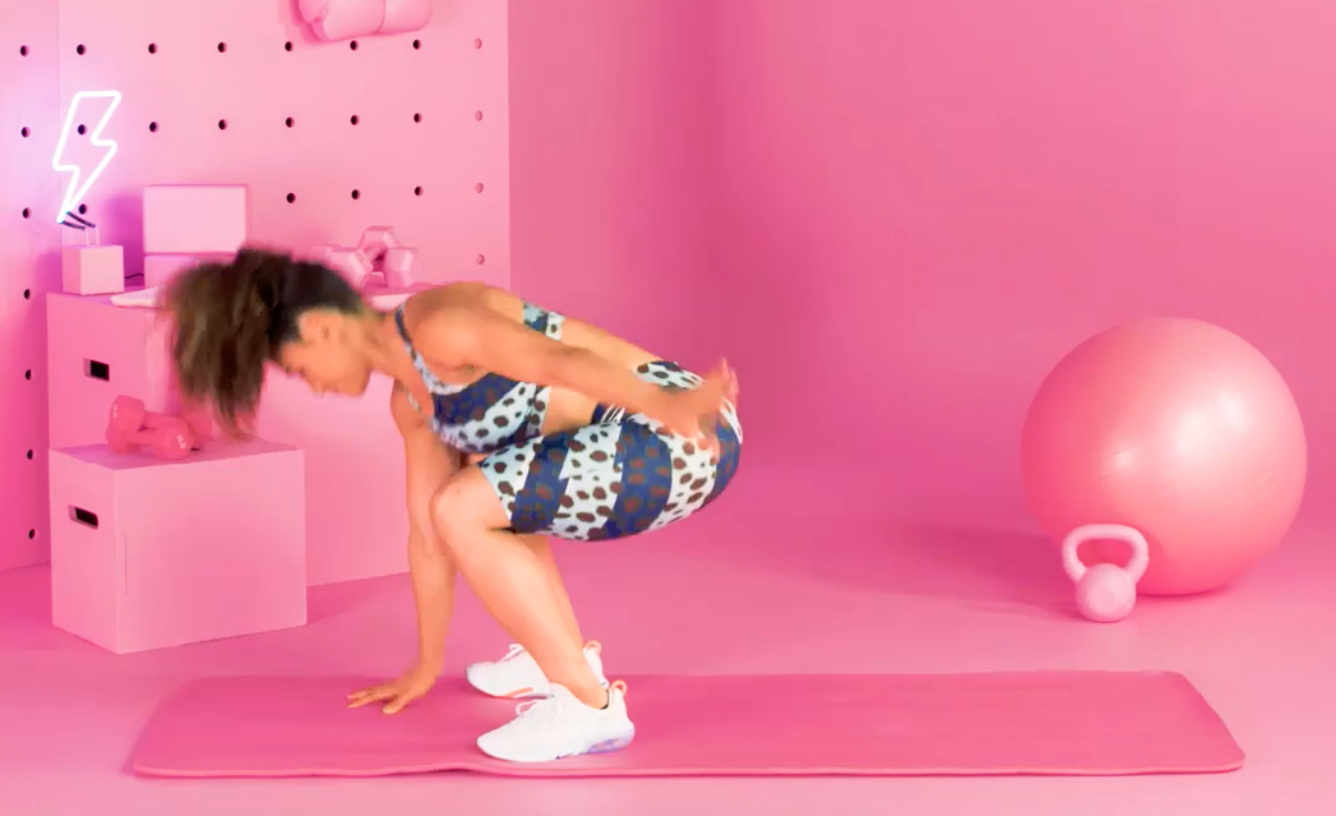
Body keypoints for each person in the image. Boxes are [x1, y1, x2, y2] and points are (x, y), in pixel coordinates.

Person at [162, 248, 743, 763]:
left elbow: (559, 364)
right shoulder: (414, 403)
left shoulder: (440, 327)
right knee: (475, 494)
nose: (312, 385)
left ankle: (590, 710)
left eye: (296, 369)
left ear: (318, 329)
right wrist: (424, 665)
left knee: (468, 502)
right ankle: (557, 659)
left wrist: (666, 405)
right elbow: (427, 536)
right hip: (650, 434)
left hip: (680, 432)